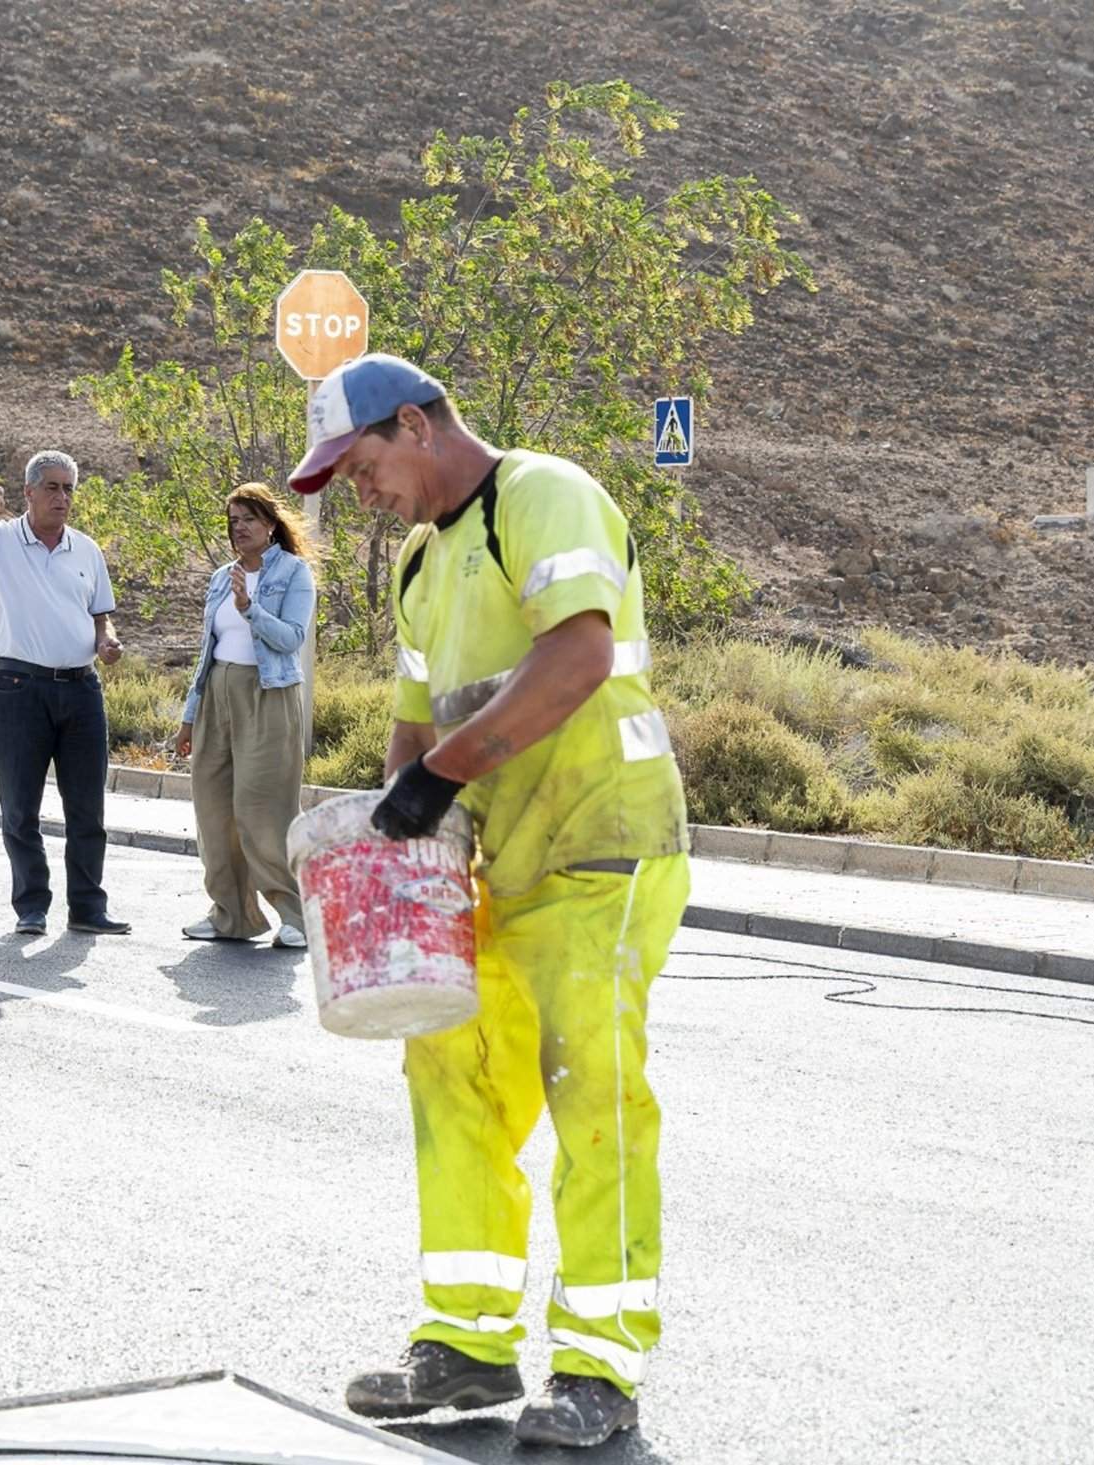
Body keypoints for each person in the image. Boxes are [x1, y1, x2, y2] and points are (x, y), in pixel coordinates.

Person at [288, 355, 691, 1450]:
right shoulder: (422, 563)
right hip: (489, 866)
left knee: (590, 1089)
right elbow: (413, 730)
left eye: (361, 464)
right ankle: (464, 1344)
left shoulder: (542, 496)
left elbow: (577, 656)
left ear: (414, 425)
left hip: (599, 848)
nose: (357, 491)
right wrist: (394, 840)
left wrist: (438, 780)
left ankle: (599, 1364)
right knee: (449, 1075)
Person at [0, 450, 130, 937]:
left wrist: (106, 638)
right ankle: (32, 906)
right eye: (53, 487)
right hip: (20, 689)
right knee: (20, 806)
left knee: (87, 806)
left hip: (81, 689)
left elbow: (100, 612)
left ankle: (87, 907)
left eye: (68, 489)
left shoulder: (86, 549)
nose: (62, 497)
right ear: (29, 492)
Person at [175, 483, 316, 948]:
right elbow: (206, 654)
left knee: (263, 809)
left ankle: (295, 914)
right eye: (233, 521)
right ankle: (231, 915)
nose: (239, 529)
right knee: (212, 807)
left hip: (269, 694)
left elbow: (291, 638)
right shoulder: (222, 576)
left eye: (248, 519)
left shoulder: (294, 573)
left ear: (270, 524)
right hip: (218, 694)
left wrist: (250, 609)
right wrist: (189, 716)